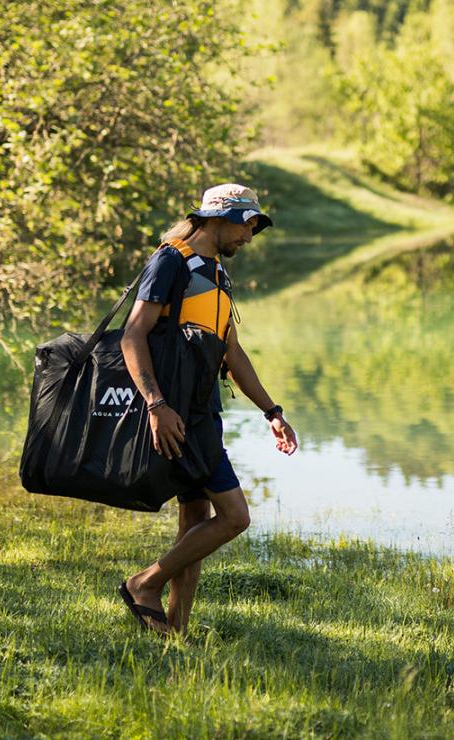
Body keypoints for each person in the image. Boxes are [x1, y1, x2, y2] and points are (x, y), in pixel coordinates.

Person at [118, 183, 297, 635]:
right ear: (217, 219)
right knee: (235, 516)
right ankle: (144, 584)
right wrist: (156, 406)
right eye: (246, 225)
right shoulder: (170, 262)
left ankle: (174, 628)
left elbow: (231, 353)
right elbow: (132, 335)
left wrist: (271, 410)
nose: (249, 237)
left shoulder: (215, 272)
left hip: (203, 414)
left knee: (196, 519)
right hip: (176, 416)